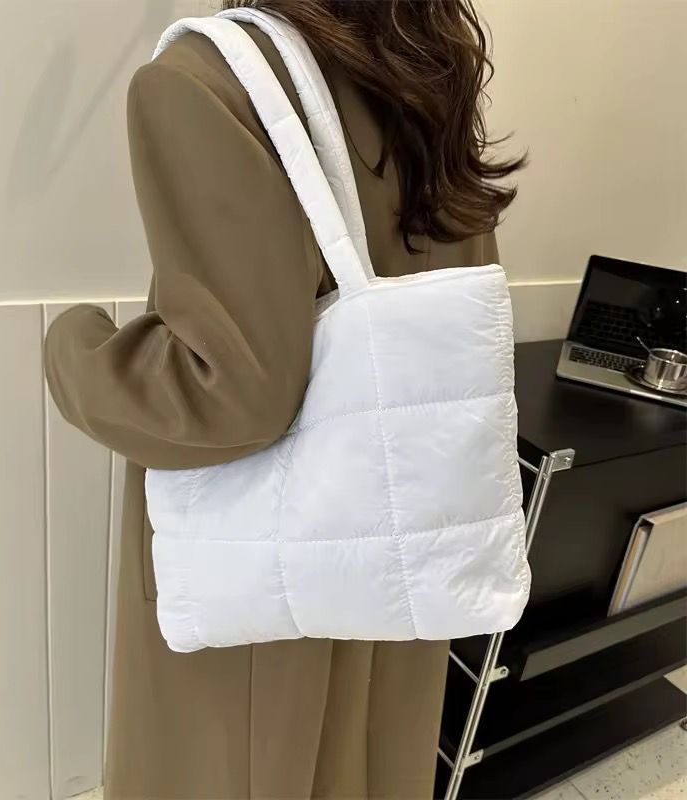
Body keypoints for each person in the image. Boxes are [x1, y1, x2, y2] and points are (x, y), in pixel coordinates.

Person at [45, 1, 524, 797]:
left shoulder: (210, 80)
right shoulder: (427, 76)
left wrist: (75, 349)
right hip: (400, 557)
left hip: (268, 599)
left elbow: (230, 392)